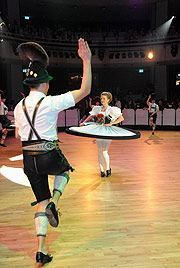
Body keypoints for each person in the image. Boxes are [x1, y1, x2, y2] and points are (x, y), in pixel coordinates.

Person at [14, 39, 91, 266]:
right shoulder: (50, 102)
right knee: (65, 171)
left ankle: (41, 251)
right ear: (45, 84)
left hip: (29, 159)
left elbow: (19, 135)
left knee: (40, 200)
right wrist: (86, 60)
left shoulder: (19, 106)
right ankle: (54, 202)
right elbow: (85, 90)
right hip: (48, 154)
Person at [79, 92, 124, 177]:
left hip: (107, 131)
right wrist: (83, 122)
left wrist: (111, 123)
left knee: (104, 150)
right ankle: (102, 170)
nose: (102, 100)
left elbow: (121, 118)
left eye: (104, 98)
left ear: (108, 100)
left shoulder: (112, 109)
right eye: (101, 98)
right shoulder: (97, 108)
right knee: (100, 150)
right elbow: (91, 116)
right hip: (99, 131)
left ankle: (107, 168)